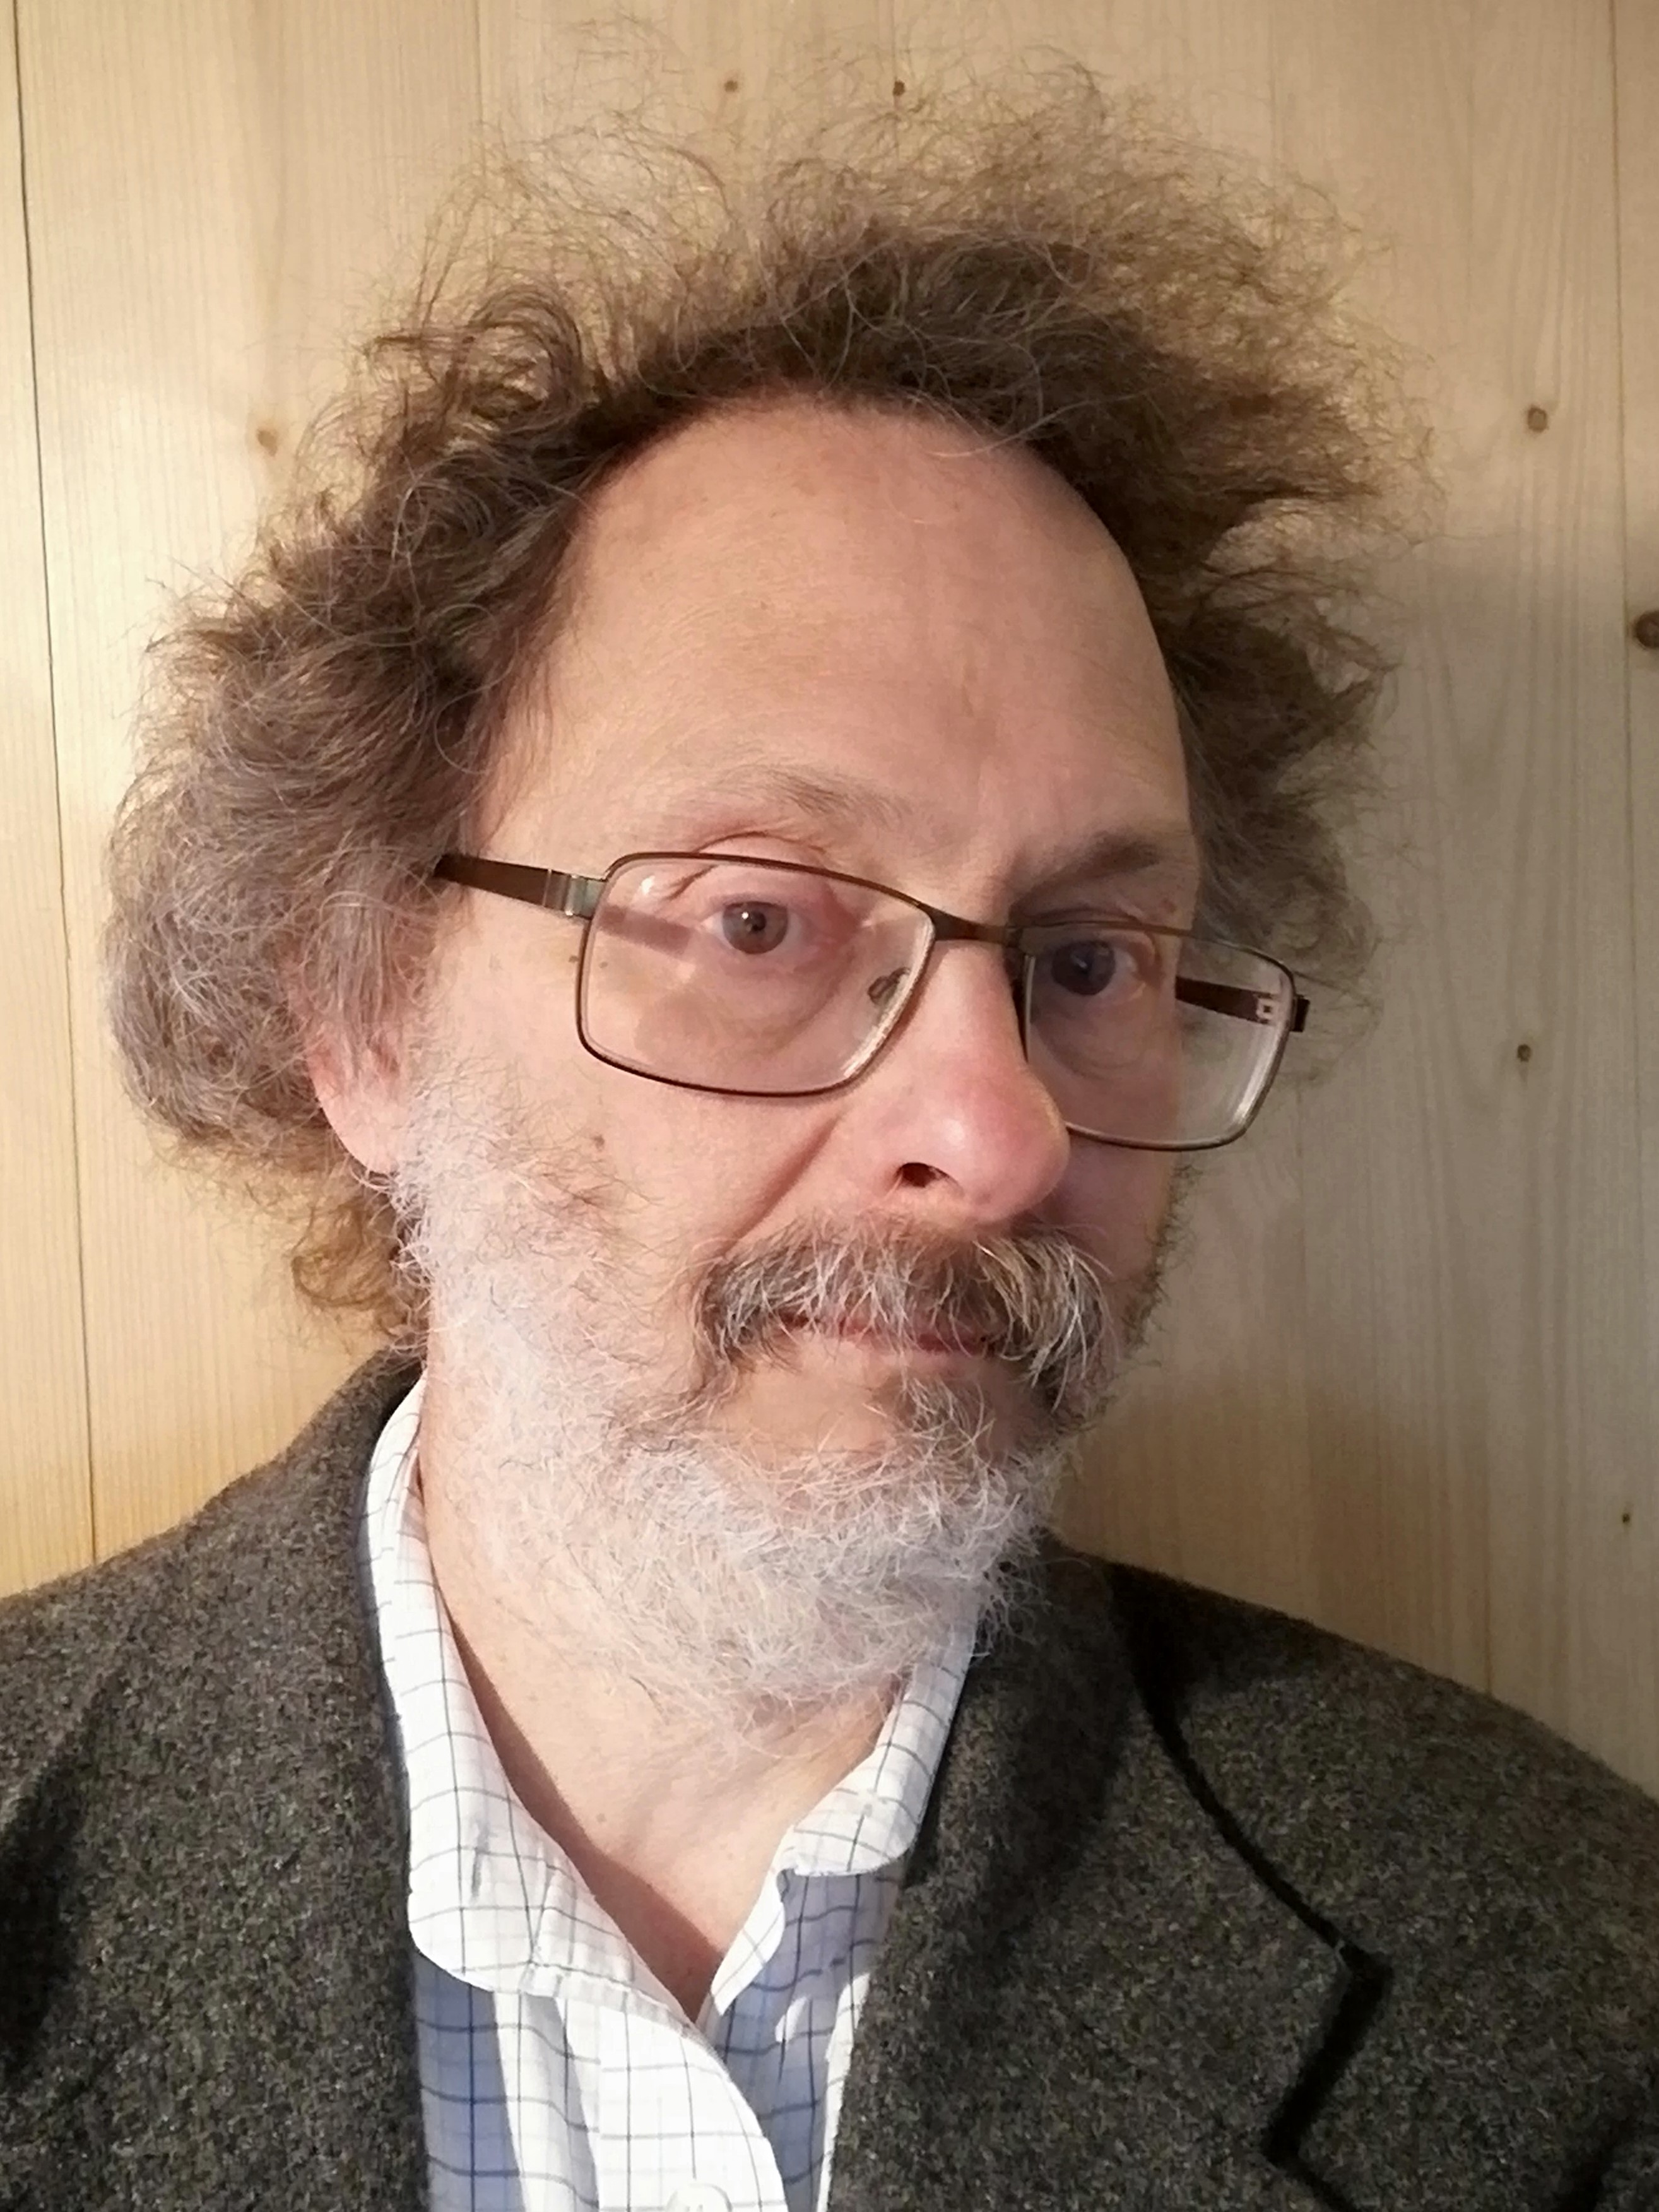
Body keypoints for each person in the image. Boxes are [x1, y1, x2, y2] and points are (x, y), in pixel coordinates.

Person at [4, 81, 1658, 2212]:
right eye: (761, 923)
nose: (998, 1130)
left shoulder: (1566, 1996)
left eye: (1089, 959)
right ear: (366, 1014)